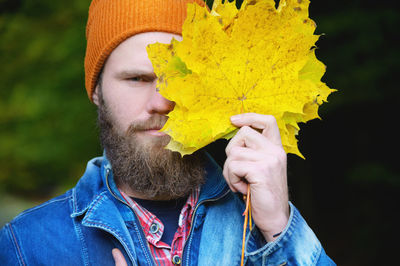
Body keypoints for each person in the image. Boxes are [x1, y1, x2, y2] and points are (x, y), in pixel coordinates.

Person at [0, 0, 335, 265]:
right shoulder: (27, 246)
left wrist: (280, 229)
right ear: (97, 91)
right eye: (137, 79)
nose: (161, 102)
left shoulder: (266, 226)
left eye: (180, 79)